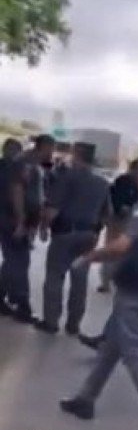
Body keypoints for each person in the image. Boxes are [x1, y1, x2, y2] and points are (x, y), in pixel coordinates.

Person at [59, 152, 138, 430]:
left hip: (135, 287)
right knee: (112, 347)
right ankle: (86, 398)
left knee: (134, 352)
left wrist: (90, 257)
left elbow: (122, 246)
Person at [35, 142, 110, 335]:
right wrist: (96, 234)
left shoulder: (66, 177)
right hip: (89, 235)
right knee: (80, 279)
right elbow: (107, 214)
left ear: (76, 155)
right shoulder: (102, 183)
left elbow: (52, 209)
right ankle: (73, 324)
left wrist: (43, 227)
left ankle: (51, 322)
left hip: (65, 233)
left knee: (55, 276)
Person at [2, 134, 56, 323]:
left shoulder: (35, 166)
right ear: (41, 147)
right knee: (19, 260)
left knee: (13, 260)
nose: (52, 154)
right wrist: (21, 220)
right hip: (12, 220)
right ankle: (22, 305)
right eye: (50, 149)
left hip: (21, 221)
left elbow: (36, 195)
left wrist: (37, 222)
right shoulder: (24, 163)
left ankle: (2, 297)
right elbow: (16, 191)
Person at [100, 160, 138, 292]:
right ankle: (106, 280)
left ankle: (117, 279)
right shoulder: (122, 181)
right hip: (118, 220)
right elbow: (114, 198)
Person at [0, 138, 24, 316]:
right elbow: (16, 195)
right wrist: (21, 220)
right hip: (7, 220)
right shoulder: (15, 169)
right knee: (12, 260)